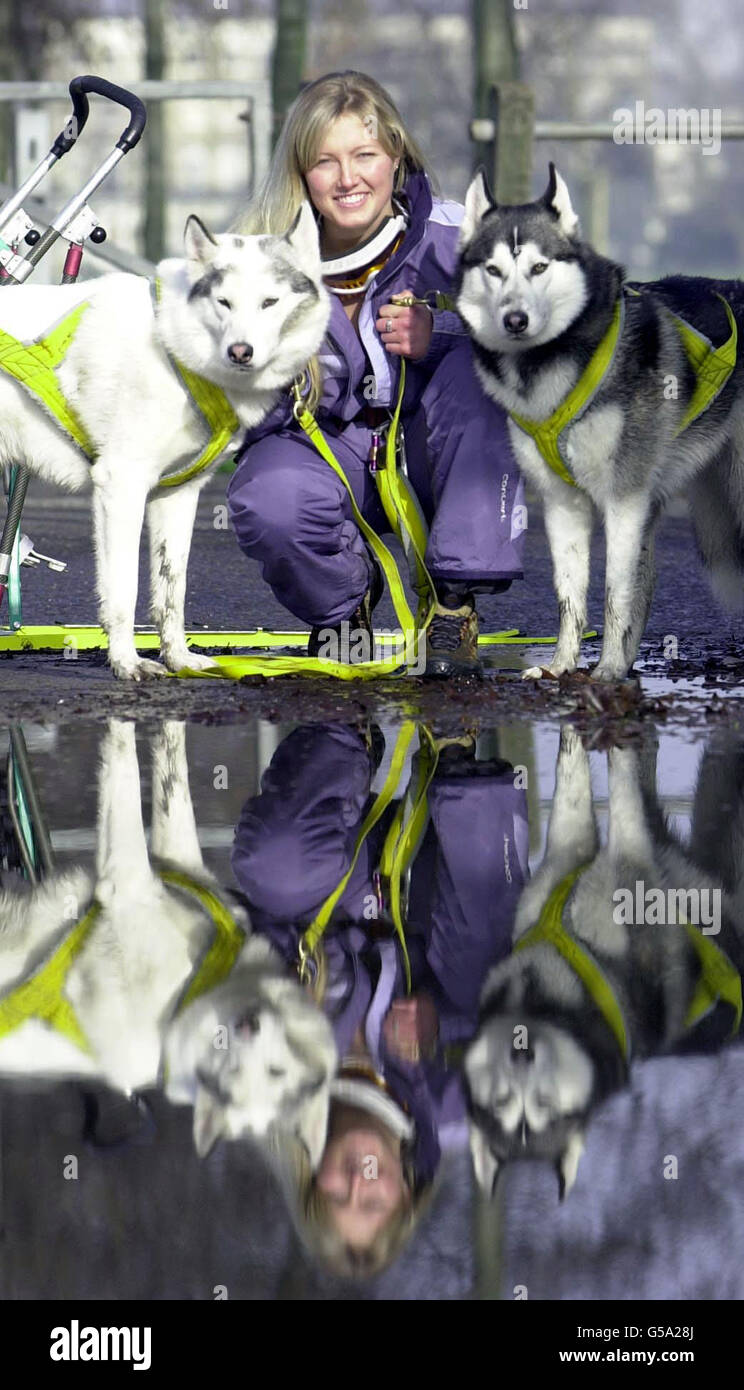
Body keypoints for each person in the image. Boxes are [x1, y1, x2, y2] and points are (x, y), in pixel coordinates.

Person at [227, 70, 526, 678]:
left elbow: (535, 344)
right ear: (300, 173)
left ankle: (453, 604)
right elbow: (234, 402)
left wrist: (440, 335)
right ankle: (344, 606)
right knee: (267, 495)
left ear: (396, 155)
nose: (347, 179)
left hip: (431, 454)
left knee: (483, 376)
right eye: (325, 162)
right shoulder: (257, 260)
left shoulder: (459, 238)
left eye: (364, 155)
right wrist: (288, 374)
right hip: (329, 458)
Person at [231, 721, 529, 1274]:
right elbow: (526, 1025)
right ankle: (455, 747)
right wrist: (443, 1024)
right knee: (489, 981)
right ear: (407, 1191)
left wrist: (267, 983)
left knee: (273, 869)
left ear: (312, 1178)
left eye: (338, 1198)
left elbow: (238, 925)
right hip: (437, 867)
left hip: (334, 865)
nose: (356, 1183)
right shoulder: (455, 1112)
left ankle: (344, 725)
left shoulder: (269, 1089)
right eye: (373, 1202)